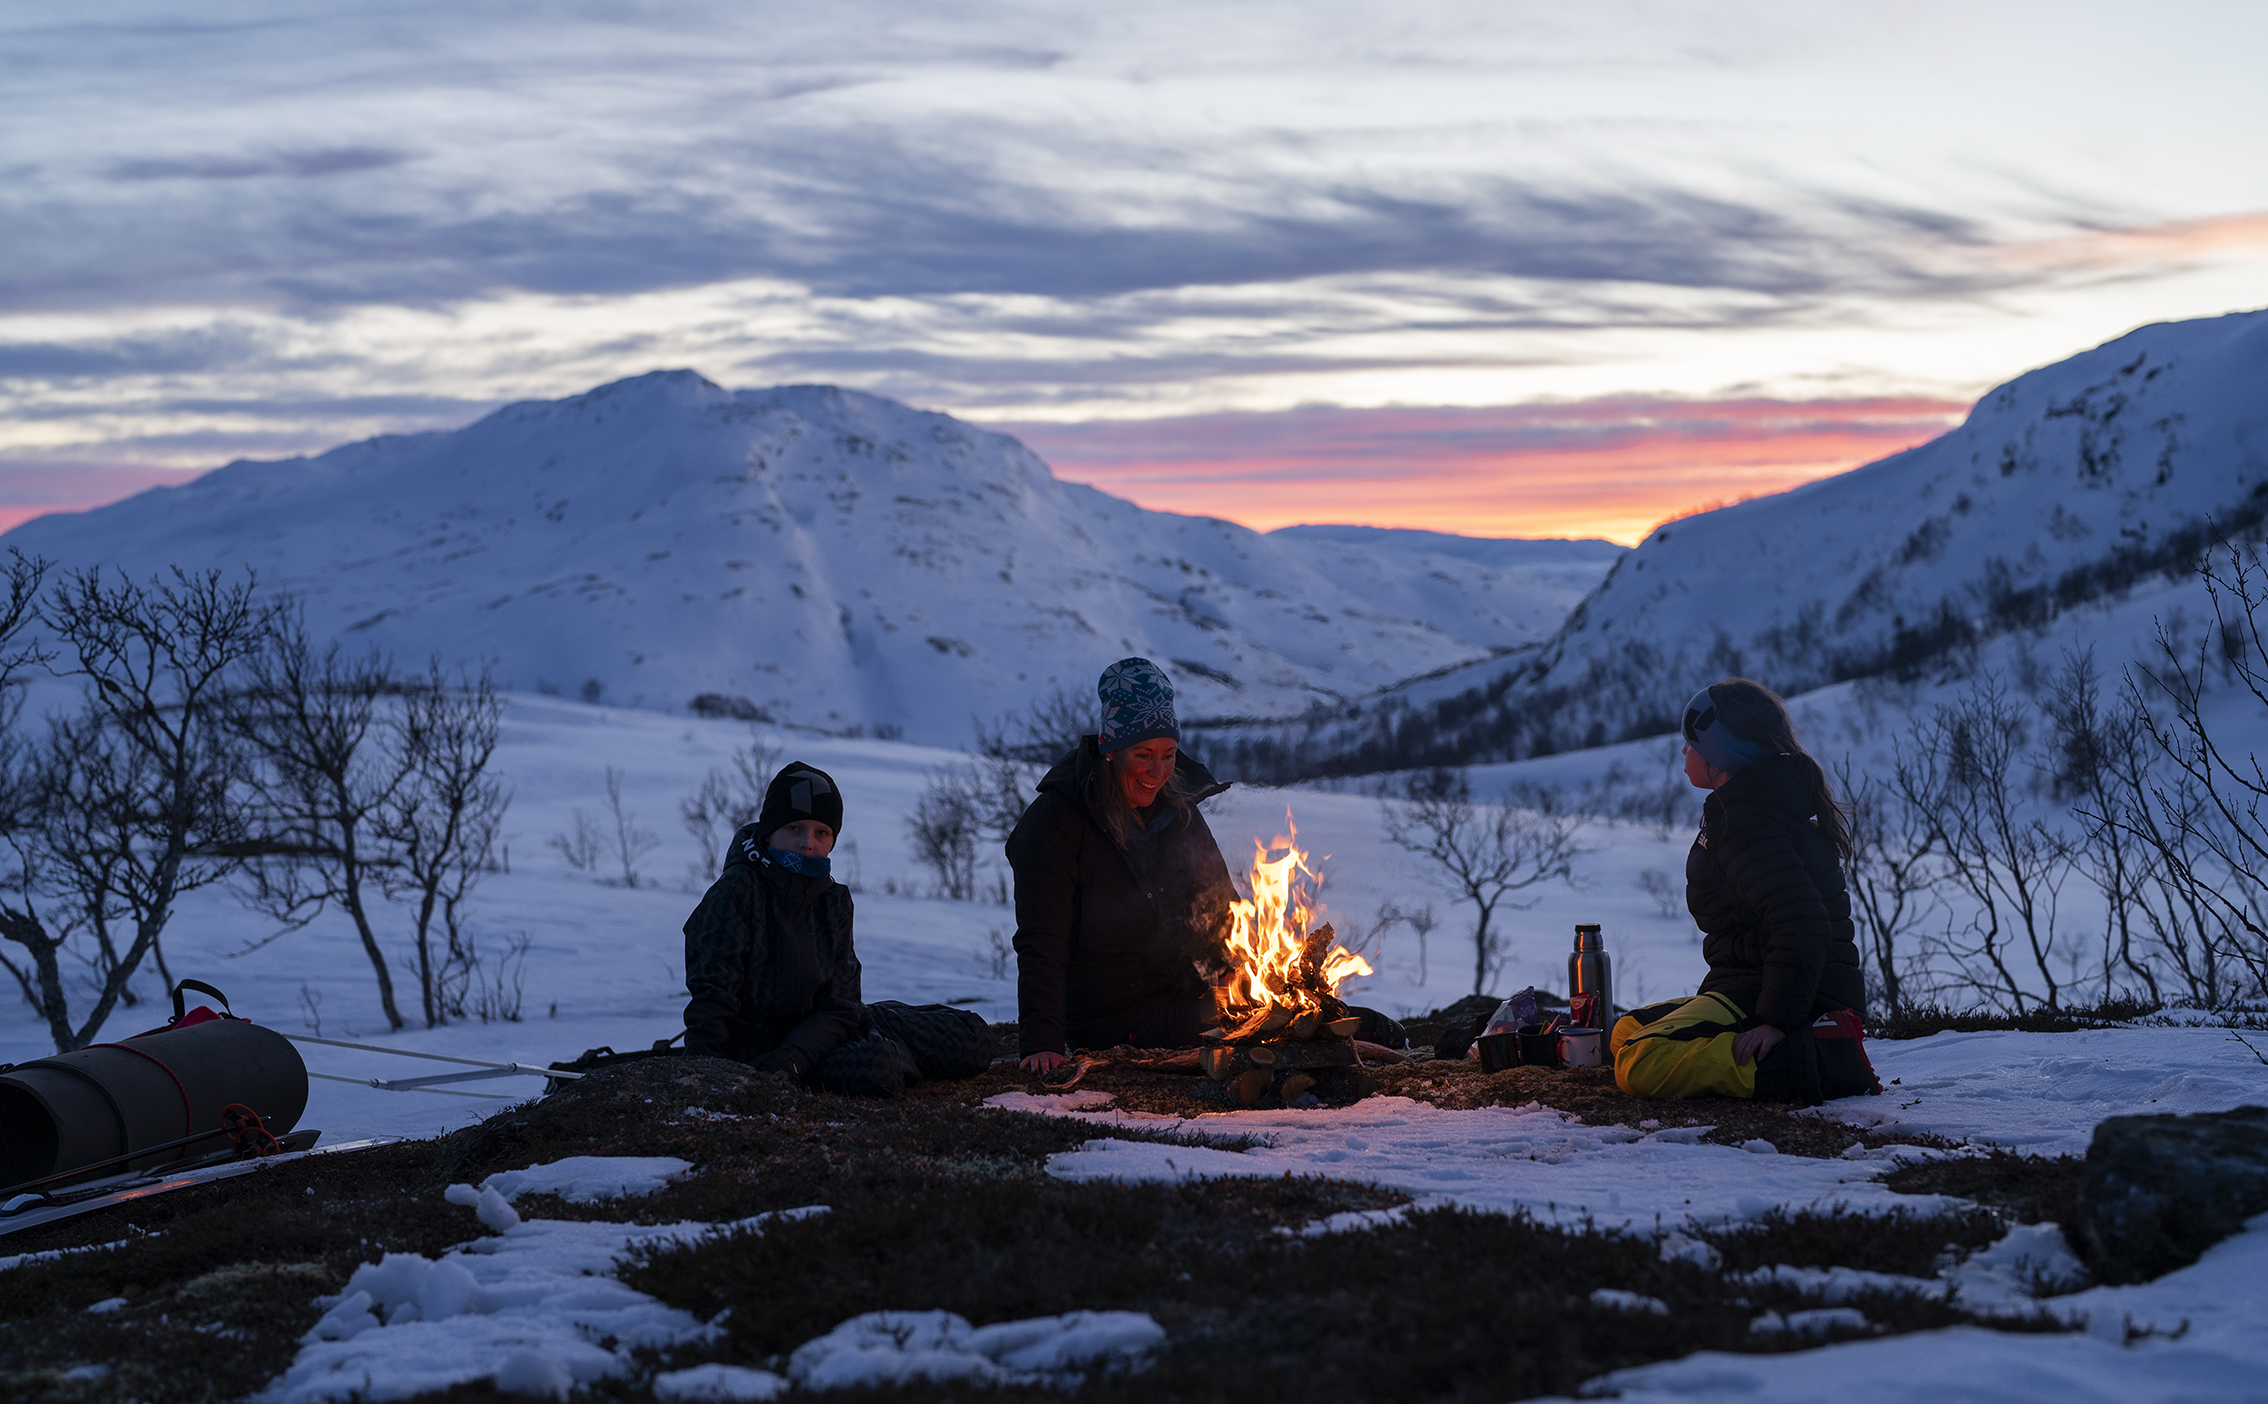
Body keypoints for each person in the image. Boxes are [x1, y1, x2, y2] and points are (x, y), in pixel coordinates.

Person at [1611, 679, 1880, 1105]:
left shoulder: (1748, 825)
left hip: (1786, 996)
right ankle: (1796, 1049)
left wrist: (1775, 1021)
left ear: (1721, 757)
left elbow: (1802, 922)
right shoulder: (1748, 812)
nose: (1683, 752)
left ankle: (1812, 1061)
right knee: (1624, 1031)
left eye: (1691, 743)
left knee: (1640, 1058)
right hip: (1755, 985)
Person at [1007, 658, 1241, 1073]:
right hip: (1112, 1021)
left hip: (1183, 1000)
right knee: (1257, 1029)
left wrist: (1238, 976)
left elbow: (1223, 911)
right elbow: (1042, 940)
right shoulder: (1057, 822)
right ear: (1110, 751)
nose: (1158, 771)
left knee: (1305, 1014)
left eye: (1169, 755)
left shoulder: (1179, 813)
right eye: (1144, 754)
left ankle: (1380, 1038)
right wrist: (1042, 1042)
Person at [682, 760, 866, 1078]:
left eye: (821, 832)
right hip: (744, 1058)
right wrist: (706, 1077)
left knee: (957, 1036)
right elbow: (713, 1000)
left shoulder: (834, 902)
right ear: (769, 832)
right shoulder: (737, 891)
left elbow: (841, 1005)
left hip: (808, 1051)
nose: (807, 842)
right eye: (794, 828)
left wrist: (792, 1058)